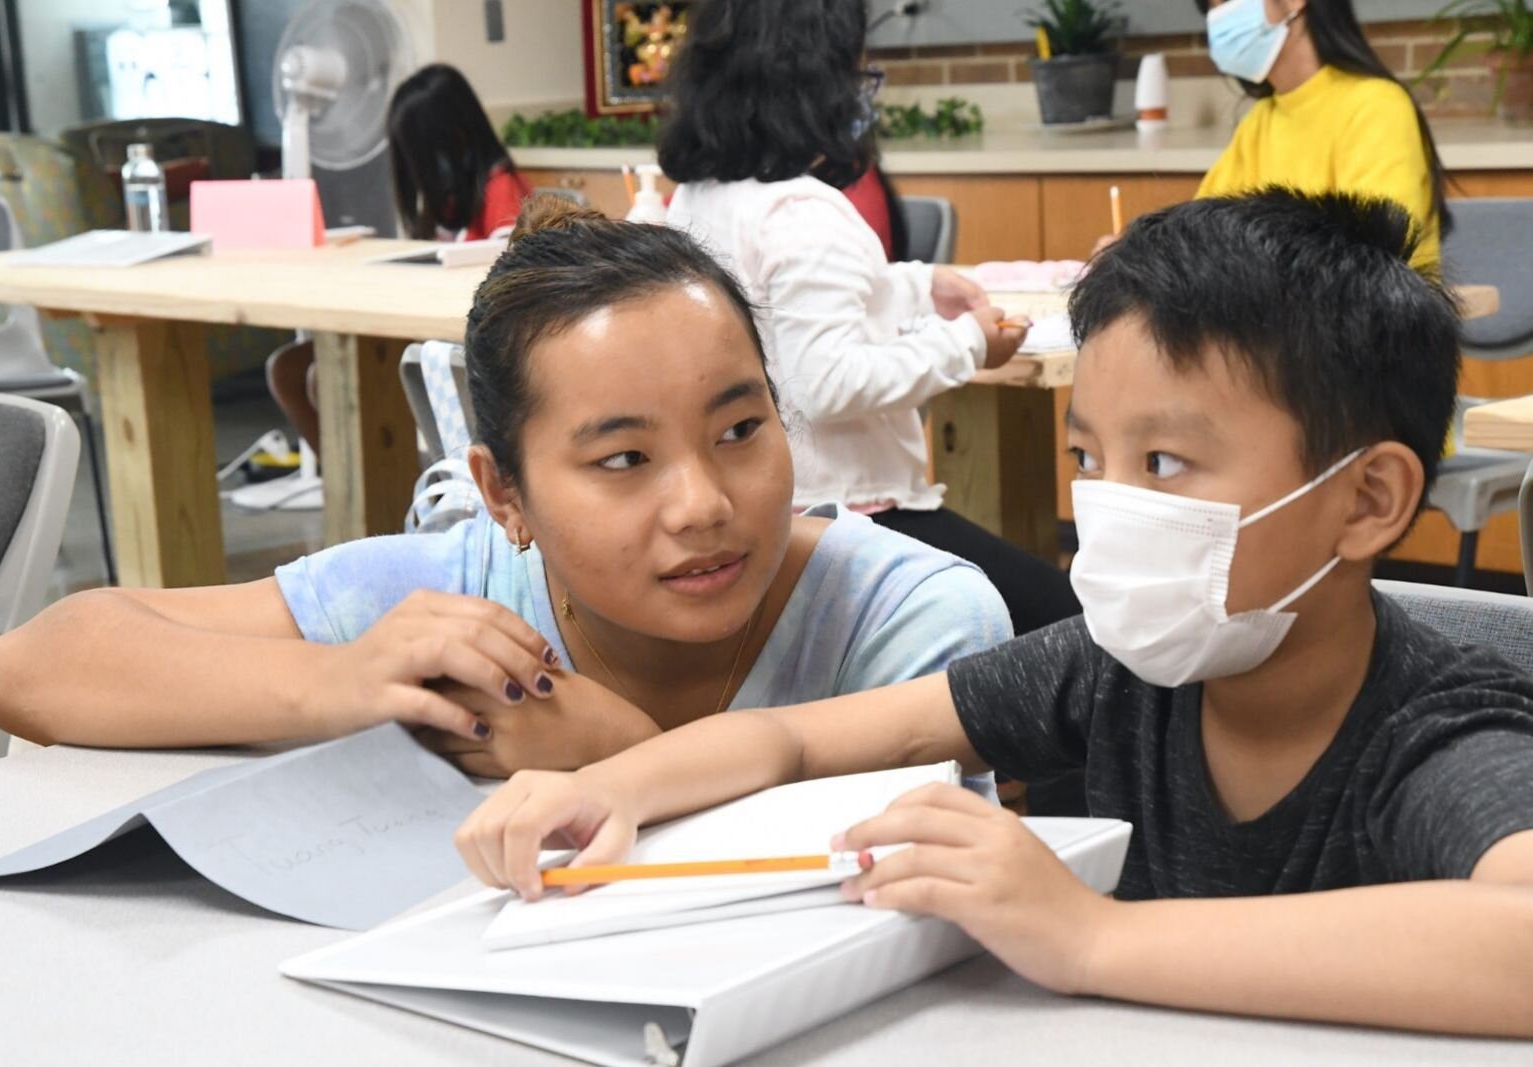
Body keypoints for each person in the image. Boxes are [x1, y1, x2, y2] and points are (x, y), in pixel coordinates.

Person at [457, 190, 1533, 1037]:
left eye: (1163, 462)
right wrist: (601, 790)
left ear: (1368, 499)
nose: (1105, 506)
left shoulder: (1440, 731)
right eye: (1086, 458)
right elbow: (792, 738)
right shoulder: (1120, 666)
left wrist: (1092, 936)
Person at [0, 199, 1009, 777]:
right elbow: (28, 666)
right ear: (502, 492)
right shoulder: (458, 608)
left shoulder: (909, 620)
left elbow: (884, 905)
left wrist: (621, 761)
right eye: (623, 459)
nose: (702, 502)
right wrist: (347, 684)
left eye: (741, 429)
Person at [657, 0, 1081, 637]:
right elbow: (827, 384)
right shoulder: (804, 211)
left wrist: (917, 287)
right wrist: (967, 343)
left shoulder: (696, 200)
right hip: (857, 519)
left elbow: (785, 307)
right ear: (816, 81)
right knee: (1073, 624)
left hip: (770, 512)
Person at [267, 64, 533, 457]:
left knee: (325, 377)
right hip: (417, 332)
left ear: (456, 139)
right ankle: (351, 476)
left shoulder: (501, 192)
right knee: (287, 369)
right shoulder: (448, 200)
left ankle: (374, 488)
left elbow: (508, 286)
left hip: (457, 345)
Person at [1193, 0, 1449, 265]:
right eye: (1213, 8)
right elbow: (1197, 242)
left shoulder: (1378, 107)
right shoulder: (1258, 122)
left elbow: (1374, 262)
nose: (1220, 19)